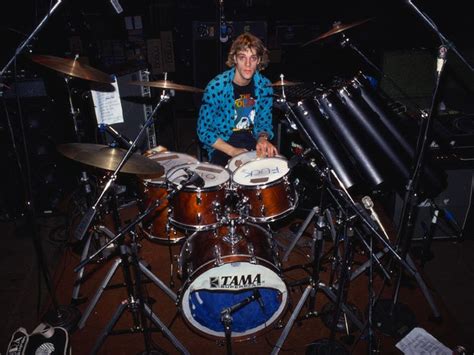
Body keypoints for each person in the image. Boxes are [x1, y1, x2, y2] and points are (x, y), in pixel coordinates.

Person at [197, 32, 278, 166]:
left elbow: (264, 123)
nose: (248, 64)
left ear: (258, 60)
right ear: (235, 59)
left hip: (252, 140)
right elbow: (203, 130)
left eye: (253, 58)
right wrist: (233, 151)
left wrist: (263, 138)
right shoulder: (217, 87)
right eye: (242, 57)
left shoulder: (265, 86)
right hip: (223, 144)